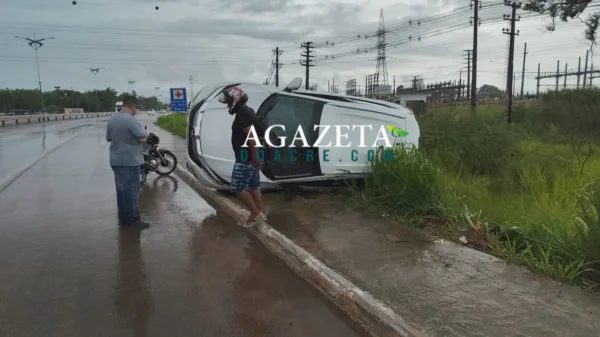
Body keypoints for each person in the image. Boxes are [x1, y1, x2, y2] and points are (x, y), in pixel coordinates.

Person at [218, 86, 266, 227]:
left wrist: (255, 158)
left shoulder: (243, 114)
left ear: (236, 100)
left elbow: (252, 138)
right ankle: (259, 213)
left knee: (238, 188)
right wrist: (255, 158)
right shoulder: (247, 111)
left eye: (229, 101)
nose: (228, 105)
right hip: (250, 157)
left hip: (245, 159)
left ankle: (256, 213)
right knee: (253, 186)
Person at [105, 95, 150, 229]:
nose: (137, 110)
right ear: (133, 106)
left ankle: (123, 219)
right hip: (130, 161)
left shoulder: (112, 119)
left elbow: (108, 138)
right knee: (132, 191)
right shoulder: (131, 120)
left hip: (116, 160)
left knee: (121, 191)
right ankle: (134, 220)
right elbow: (142, 138)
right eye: (137, 107)